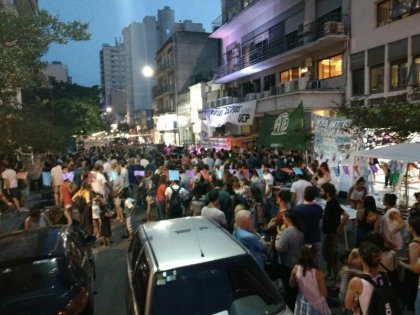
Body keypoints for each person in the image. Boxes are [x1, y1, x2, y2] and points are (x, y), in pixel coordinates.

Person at [344, 241, 400, 314]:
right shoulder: (384, 275)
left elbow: (348, 305)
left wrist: (354, 250)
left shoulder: (356, 282)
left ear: (361, 259)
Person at [290, 245, 331, 315]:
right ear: (314, 256)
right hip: (317, 305)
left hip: (302, 302)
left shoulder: (296, 268)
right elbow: (324, 293)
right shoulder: (318, 273)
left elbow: (291, 285)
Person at [275, 210, 303, 309]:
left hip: (287, 263)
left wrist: (278, 235)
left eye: (283, 217)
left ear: (288, 219)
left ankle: (290, 307)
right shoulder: (299, 230)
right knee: (295, 287)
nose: (282, 219)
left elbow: (279, 248)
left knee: (288, 286)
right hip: (297, 261)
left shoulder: (287, 232)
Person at [321, 183, 349, 279]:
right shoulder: (331, 202)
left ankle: (335, 277)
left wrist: (340, 228)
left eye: (322, 191)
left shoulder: (333, 203)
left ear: (327, 193)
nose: (320, 192)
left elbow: (346, 216)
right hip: (328, 233)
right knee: (329, 256)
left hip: (331, 234)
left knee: (332, 256)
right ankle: (329, 274)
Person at [294, 186, 323, 264]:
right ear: (314, 196)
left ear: (304, 194)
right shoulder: (319, 208)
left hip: (303, 238)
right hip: (316, 237)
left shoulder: (297, 208)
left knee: (303, 262)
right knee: (316, 261)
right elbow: (319, 221)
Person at [399, 211, 420, 313]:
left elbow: (413, 268)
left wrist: (401, 263)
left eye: (409, 224)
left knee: (410, 298)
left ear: (412, 228)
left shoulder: (414, 245)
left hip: (412, 278)